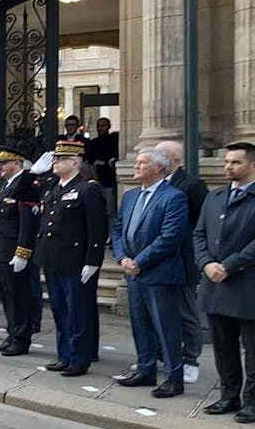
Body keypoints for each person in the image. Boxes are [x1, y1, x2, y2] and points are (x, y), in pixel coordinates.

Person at [111, 147, 189, 398]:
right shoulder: (132, 195)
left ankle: (174, 378)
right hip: (132, 272)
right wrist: (123, 257)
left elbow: (170, 237)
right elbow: (118, 228)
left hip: (159, 273)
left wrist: (140, 261)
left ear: (159, 168)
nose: (135, 166)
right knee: (140, 324)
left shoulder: (173, 197)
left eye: (142, 163)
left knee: (166, 328)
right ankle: (145, 369)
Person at [33, 141, 107, 377]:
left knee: (78, 312)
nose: (54, 163)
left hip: (75, 261)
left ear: (74, 162)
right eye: (54, 159)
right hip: (54, 259)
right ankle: (64, 355)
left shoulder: (87, 189)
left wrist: (93, 260)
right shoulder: (54, 188)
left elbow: (97, 228)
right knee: (60, 310)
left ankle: (79, 358)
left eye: (60, 159)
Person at [194, 141, 255, 422]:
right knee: (223, 346)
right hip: (215, 283)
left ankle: (251, 402)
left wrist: (229, 266)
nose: (228, 166)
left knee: (252, 350)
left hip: (246, 284)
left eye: (235, 162)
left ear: (251, 165)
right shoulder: (215, 196)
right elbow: (199, 235)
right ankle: (228, 396)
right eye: (227, 161)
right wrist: (206, 263)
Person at [155, 139, 209, 384]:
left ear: (173, 161)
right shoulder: (156, 183)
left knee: (187, 312)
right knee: (159, 311)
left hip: (183, 258)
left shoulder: (192, 184)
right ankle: (161, 354)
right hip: (157, 259)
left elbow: (203, 221)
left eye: (159, 156)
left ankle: (190, 358)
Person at [0, 145, 41, 357]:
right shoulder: (5, 185)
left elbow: (27, 222)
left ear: (17, 163)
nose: (0, 168)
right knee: (8, 297)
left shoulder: (25, 186)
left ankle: (21, 338)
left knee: (19, 297)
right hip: (0, 251)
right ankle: (12, 333)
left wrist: (23, 252)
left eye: (4, 163)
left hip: (13, 251)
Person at [85, 118, 118, 211]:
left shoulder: (114, 142)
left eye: (103, 125)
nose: (100, 128)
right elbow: (89, 160)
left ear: (109, 126)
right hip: (95, 179)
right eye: (99, 126)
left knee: (109, 208)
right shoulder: (93, 143)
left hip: (109, 180)